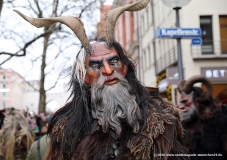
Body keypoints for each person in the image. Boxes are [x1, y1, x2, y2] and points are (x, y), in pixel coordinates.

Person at [14, 0, 189, 159]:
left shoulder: (163, 123)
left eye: (113, 61)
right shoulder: (66, 132)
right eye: (96, 66)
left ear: (125, 67)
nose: (107, 70)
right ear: (84, 77)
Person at [177, 75, 227, 160]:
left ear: (198, 102)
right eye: (180, 103)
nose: (181, 107)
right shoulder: (184, 126)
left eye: (185, 102)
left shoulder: (221, 121)